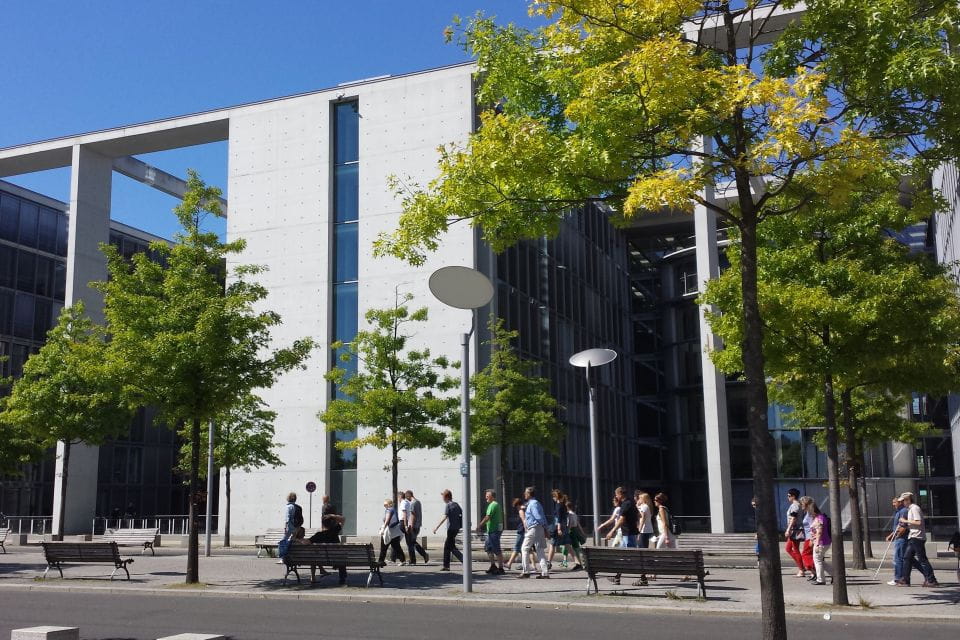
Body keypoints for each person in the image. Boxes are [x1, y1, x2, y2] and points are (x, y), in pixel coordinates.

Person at [897, 492, 939, 587]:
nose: (902, 503)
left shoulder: (914, 508)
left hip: (917, 537)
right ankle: (905, 579)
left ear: (907, 500)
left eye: (903, 501)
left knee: (922, 559)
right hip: (913, 536)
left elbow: (918, 522)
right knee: (907, 558)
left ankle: (931, 579)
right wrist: (906, 525)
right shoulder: (911, 509)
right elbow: (915, 524)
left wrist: (905, 521)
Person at [518, 486, 550, 579]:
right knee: (539, 549)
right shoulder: (536, 503)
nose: (524, 494)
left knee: (524, 548)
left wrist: (544, 527)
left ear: (529, 494)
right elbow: (542, 517)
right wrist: (545, 529)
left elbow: (538, 517)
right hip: (539, 528)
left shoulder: (532, 504)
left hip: (533, 528)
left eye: (525, 492)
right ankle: (545, 572)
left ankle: (526, 571)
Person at [800, 496, 831, 585]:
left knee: (817, 560)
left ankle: (821, 579)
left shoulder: (818, 518)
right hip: (823, 542)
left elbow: (819, 532)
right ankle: (834, 575)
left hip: (821, 542)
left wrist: (816, 544)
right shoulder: (818, 517)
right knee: (819, 560)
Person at [433, 489, 464, 571]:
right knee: (451, 546)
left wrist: (436, 527)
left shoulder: (448, 506)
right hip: (456, 528)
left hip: (450, 529)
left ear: (446, 497)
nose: (442, 499)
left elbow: (444, 517)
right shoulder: (456, 505)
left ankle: (447, 566)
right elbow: (462, 515)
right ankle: (464, 560)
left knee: (447, 547)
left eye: (443, 496)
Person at [477, 489, 505, 575]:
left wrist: (479, 525)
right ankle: (493, 566)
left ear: (492, 496)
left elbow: (487, 517)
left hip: (494, 531)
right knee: (488, 548)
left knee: (496, 549)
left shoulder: (493, 505)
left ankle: (501, 568)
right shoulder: (493, 505)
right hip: (491, 531)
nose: (486, 497)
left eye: (487, 496)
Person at [884, 495, 910, 586]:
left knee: (898, 559)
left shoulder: (903, 511)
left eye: (895, 502)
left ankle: (898, 578)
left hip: (901, 539)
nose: (893, 504)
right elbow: (897, 527)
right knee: (901, 558)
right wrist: (891, 535)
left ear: (900, 502)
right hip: (898, 538)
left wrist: (897, 536)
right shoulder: (898, 512)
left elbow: (903, 527)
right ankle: (901, 578)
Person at [784, 488, 809, 578]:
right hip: (795, 529)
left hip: (795, 529)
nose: (788, 497)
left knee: (795, 549)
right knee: (788, 548)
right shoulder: (797, 504)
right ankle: (802, 566)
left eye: (789, 496)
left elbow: (793, 518)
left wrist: (788, 529)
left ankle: (801, 569)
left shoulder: (795, 505)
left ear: (793, 496)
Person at [404, 489, 430, 564]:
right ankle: (417, 558)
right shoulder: (418, 502)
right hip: (418, 525)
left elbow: (413, 515)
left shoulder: (413, 503)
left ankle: (416, 558)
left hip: (413, 526)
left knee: (411, 543)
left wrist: (411, 526)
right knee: (412, 542)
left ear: (409, 496)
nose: (407, 500)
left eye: (407, 498)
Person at [378, 498, 406, 567]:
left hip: (388, 531)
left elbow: (387, 520)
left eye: (385, 504)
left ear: (388, 504)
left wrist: (383, 528)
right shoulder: (394, 509)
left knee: (384, 546)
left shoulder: (389, 510)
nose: (384, 506)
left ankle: (381, 561)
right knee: (396, 546)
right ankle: (403, 560)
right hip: (395, 531)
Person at [546, 489, 569, 565]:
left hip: (558, 527)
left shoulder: (558, 505)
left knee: (552, 544)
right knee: (566, 544)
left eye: (553, 497)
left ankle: (548, 562)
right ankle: (577, 562)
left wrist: (559, 529)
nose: (553, 499)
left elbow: (558, 518)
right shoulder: (563, 504)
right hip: (564, 526)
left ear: (555, 497)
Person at [504, 497, 526, 571]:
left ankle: (509, 563)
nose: (515, 508)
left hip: (522, 531)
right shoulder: (523, 509)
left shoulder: (521, 511)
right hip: (522, 531)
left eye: (515, 506)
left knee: (517, 548)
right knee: (522, 549)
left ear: (517, 505)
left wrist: (526, 530)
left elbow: (524, 521)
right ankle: (524, 564)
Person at [564, 500, 586, 571]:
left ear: (567, 507)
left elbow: (569, 523)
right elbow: (578, 524)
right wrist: (582, 532)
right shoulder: (574, 514)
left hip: (571, 531)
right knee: (575, 547)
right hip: (575, 530)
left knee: (573, 547)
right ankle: (579, 563)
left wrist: (567, 530)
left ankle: (579, 563)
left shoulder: (569, 514)